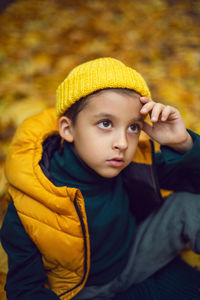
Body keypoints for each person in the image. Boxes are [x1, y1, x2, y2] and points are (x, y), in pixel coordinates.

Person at [1, 57, 200, 300]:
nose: (122, 143)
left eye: (133, 127)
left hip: (134, 256)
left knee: (189, 205)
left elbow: (194, 181)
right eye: (105, 123)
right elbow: (24, 291)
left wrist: (182, 144)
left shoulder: (134, 162)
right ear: (68, 129)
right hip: (80, 292)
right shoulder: (31, 204)